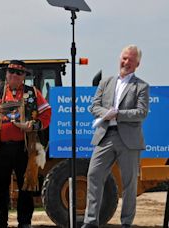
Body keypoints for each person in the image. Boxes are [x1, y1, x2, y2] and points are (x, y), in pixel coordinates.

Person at [0, 60, 51, 228]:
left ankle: (24, 222)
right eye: (11, 72)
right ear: (6, 74)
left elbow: (46, 112)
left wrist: (35, 124)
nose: (14, 75)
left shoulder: (32, 93)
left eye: (19, 73)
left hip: (24, 147)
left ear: (23, 76)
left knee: (26, 184)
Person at [82, 45, 149, 228]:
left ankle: (126, 223)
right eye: (124, 58)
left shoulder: (141, 86)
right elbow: (93, 107)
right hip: (105, 136)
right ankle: (90, 222)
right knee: (94, 175)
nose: (126, 62)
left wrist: (118, 114)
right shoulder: (106, 82)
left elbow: (141, 112)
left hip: (128, 140)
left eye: (131, 60)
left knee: (129, 184)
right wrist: (106, 113)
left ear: (137, 64)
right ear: (120, 58)